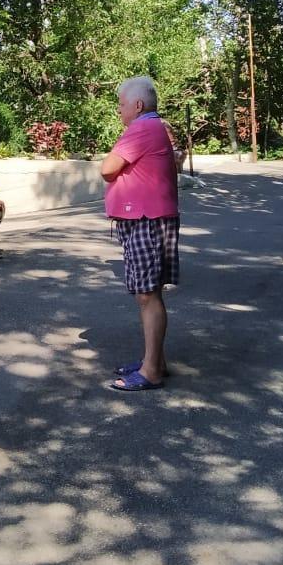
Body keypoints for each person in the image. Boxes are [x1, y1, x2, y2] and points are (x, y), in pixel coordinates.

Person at [101, 76, 180, 392]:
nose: (119, 110)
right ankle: (155, 362)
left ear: (137, 105)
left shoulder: (142, 128)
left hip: (146, 219)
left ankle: (150, 372)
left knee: (147, 295)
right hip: (148, 218)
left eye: (121, 104)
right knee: (149, 294)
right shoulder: (152, 127)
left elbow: (107, 168)